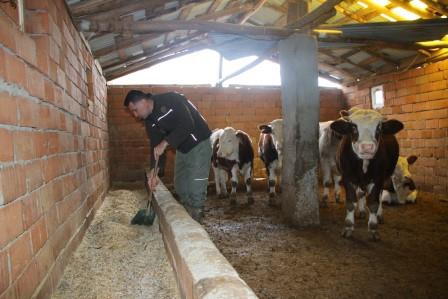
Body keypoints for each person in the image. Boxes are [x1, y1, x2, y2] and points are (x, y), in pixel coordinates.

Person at [124, 90, 212, 223]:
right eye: (133, 112)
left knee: (195, 185)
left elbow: (188, 124)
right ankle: (188, 215)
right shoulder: (150, 121)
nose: (135, 115)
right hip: (182, 147)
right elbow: (156, 147)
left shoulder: (171, 99)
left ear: (143, 102)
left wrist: (165, 143)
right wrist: (154, 172)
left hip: (199, 142)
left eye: (135, 110)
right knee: (180, 185)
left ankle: (197, 216)